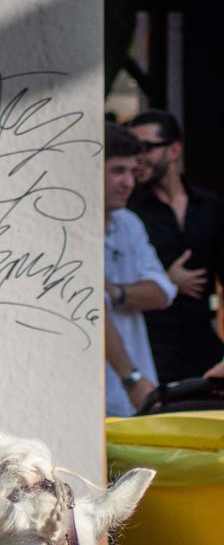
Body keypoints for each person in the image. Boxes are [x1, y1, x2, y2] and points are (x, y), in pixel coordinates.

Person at [128, 110, 224, 385]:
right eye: (134, 150)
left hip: (204, 348)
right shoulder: (129, 212)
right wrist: (166, 283)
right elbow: (112, 286)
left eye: (146, 147)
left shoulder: (209, 206)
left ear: (173, 150)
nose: (138, 158)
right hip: (151, 350)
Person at [104, 123, 174, 417]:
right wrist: (130, 377)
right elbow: (90, 310)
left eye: (133, 172)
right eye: (118, 171)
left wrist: (113, 292)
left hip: (134, 394)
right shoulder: (65, 231)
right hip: (92, 394)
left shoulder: (128, 222)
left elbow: (162, 293)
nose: (129, 183)